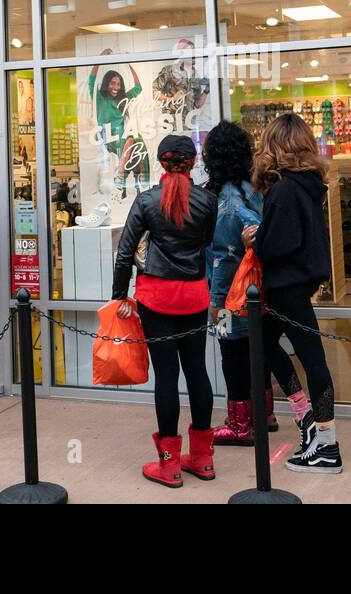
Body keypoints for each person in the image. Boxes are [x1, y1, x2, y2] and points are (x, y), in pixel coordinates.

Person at [112, 134, 218, 488]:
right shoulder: (207, 201)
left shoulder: (146, 201)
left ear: (160, 162)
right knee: (197, 371)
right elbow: (205, 242)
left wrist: (118, 296)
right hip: (194, 296)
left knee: (167, 376)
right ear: (192, 163)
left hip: (156, 298)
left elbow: (125, 253)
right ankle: (202, 458)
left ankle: (169, 464)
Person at [240, 113, 341, 473]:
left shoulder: (283, 189)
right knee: (266, 345)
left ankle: (325, 443)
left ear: (275, 145)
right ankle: (309, 421)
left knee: (311, 359)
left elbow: (276, 245)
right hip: (301, 282)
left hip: (286, 285)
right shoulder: (309, 184)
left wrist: (254, 238)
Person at [202, 120, 296, 444]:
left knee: (233, 355)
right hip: (259, 289)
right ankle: (265, 414)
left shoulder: (226, 200)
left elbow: (224, 255)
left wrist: (216, 302)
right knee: (257, 350)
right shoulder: (253, 187)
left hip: (232, 293)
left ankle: (241, 425)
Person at [89, 59, 148, 199]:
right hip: (108, 136)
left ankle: (129, 178)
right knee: (132, 137)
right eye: (112, 83)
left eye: (118, 84)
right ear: (107, 84)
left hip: (123, 138)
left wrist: (129, 64)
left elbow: (138, 87)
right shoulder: (100, 98)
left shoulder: (123, 97)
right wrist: (98, 59)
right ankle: (125, 176)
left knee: (138, 140)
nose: (115, 87)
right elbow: (91, 81)